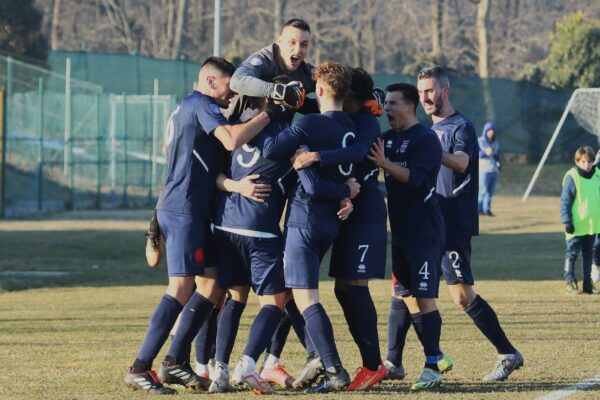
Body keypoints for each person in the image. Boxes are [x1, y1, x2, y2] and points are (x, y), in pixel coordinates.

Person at [123, 56, 282, 395]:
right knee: (180, 288)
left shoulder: (185, 108)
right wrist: (272, 114)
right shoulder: (200, 104)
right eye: (229, 87)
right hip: (184, 211)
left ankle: (176, 362)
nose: (231, 96)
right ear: (211, 82)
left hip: (188, 210)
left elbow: (186, 156)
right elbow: (230, 140)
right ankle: (140, 367)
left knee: (212, 286)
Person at [416, 65, 524, 382]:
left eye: (431, 90)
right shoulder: (425, 130)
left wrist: (430, 149)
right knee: (408, 290)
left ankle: (507, 353)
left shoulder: (461, 127)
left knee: (462, 296)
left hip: (452, 223)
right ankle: (409, 359)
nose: (425, 97)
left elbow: (461, 163)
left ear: (446, 90)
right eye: (421, 92)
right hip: (426, 223)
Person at [261, 62, 356, 393]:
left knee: (305, 298)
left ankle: (333, 369)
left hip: (305, 220)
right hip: (332, 222)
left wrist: (296, 147)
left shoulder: (311, 124)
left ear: (319, 92)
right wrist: (345, 191)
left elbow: (271, 148)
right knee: (293, 294)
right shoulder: (352, 128)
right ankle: (287, 359)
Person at [290, 67, 388, 391]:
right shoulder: (341, 118)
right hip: (347, 207)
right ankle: (316, 356)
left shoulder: (365, 121)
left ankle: (373, 365)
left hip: (366, 210)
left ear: (351, 98)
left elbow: (358, 153)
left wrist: (316, 156)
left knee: (353, 287)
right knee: (339, 288)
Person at [368, 83, 447, 391]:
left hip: (425, 232)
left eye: (394, 103)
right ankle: (394, 363)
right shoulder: (386, 139)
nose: (388, 109)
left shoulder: (426, 139)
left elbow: (418, 180)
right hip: (400, 231)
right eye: (385, 103)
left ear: (411, 106)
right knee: (402, 295)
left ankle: (432, 366)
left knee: (424, 298)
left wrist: (385, 164)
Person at [228, 18, 318, 119]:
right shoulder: (264, 59)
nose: (298, 50)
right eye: (292, 42)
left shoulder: (308, 71)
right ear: (280, 42)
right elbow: (236, 81)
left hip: (279, 130)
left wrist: (302, 102)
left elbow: (333, 96)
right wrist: (281, 92)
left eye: (304, 45)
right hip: (240, 125)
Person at [560, 146, 600, 295]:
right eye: (583, 161)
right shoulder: (572, 177)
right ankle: (569, 281)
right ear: (577, 161)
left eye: (589, 162)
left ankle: (587, 284)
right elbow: (565, 202)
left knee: (588, 256)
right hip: (576, 226)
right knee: (572, 255)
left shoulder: (597, 175)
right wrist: (567, 221)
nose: (587, 165)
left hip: (592, 226)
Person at [478, 122, 501, 216]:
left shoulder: (495, 143)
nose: (491, 132)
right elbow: (476, 154)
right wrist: (485, 153)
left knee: (490, 192)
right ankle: (478, 210)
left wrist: (500, 166)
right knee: (482, 191)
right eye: (489, 130)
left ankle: (486, 209)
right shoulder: (480, 141)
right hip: (484, 170)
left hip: (494, 170)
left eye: (493, 131)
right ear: (486, 131)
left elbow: (497, 157)